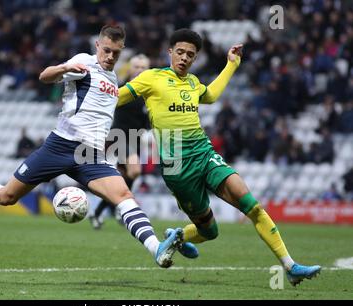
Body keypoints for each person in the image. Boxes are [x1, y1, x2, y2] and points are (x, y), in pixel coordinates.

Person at [0, 25, 187, 269]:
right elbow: (44, 76)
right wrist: (63, 70)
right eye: (106, 50)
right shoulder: (85, 62)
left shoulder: (112, 79)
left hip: (90, 155)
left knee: (124, 196)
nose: (109, 56)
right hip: (60, 146)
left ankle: (156, 249)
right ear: (98, 45)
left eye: (116, 53)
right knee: (7, 196)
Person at [117, 28, 321, 286]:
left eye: (190, 54)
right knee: (209, 231)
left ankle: (290, 266)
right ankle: (178, 236)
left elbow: (210, 96)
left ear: (195, 58)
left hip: (204, 153)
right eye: (179, 52)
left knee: (253, 207)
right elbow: (118, 97)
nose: (184, 58)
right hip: (177, 167)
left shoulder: (192, 82)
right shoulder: (151, 78)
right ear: (170, 52)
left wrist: (231, 65)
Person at [89, 54, 151, 230]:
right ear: (130, 69)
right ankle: (121, 207)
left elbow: (146, 121)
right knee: (136, 170)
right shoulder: (121, 88)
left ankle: (98, 212)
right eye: (136, 67)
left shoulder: (149, 94)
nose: (139, 70)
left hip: (136, 139)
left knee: (125, 178)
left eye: (143, 67)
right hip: (119, 136)